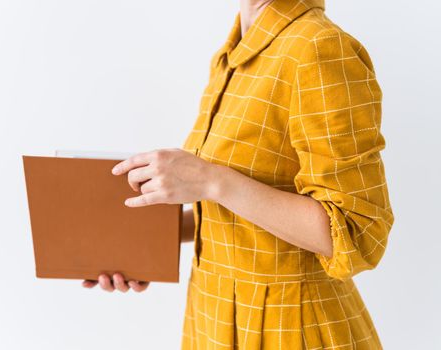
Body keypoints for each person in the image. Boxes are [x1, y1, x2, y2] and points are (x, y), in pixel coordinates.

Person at [83, 0, 395, 348]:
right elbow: (234, 215)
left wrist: (212, 180)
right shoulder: (228, 58)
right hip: (212, 318)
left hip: (290, 328)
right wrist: (139, 247)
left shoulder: (318, 47)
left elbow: (356, 235)